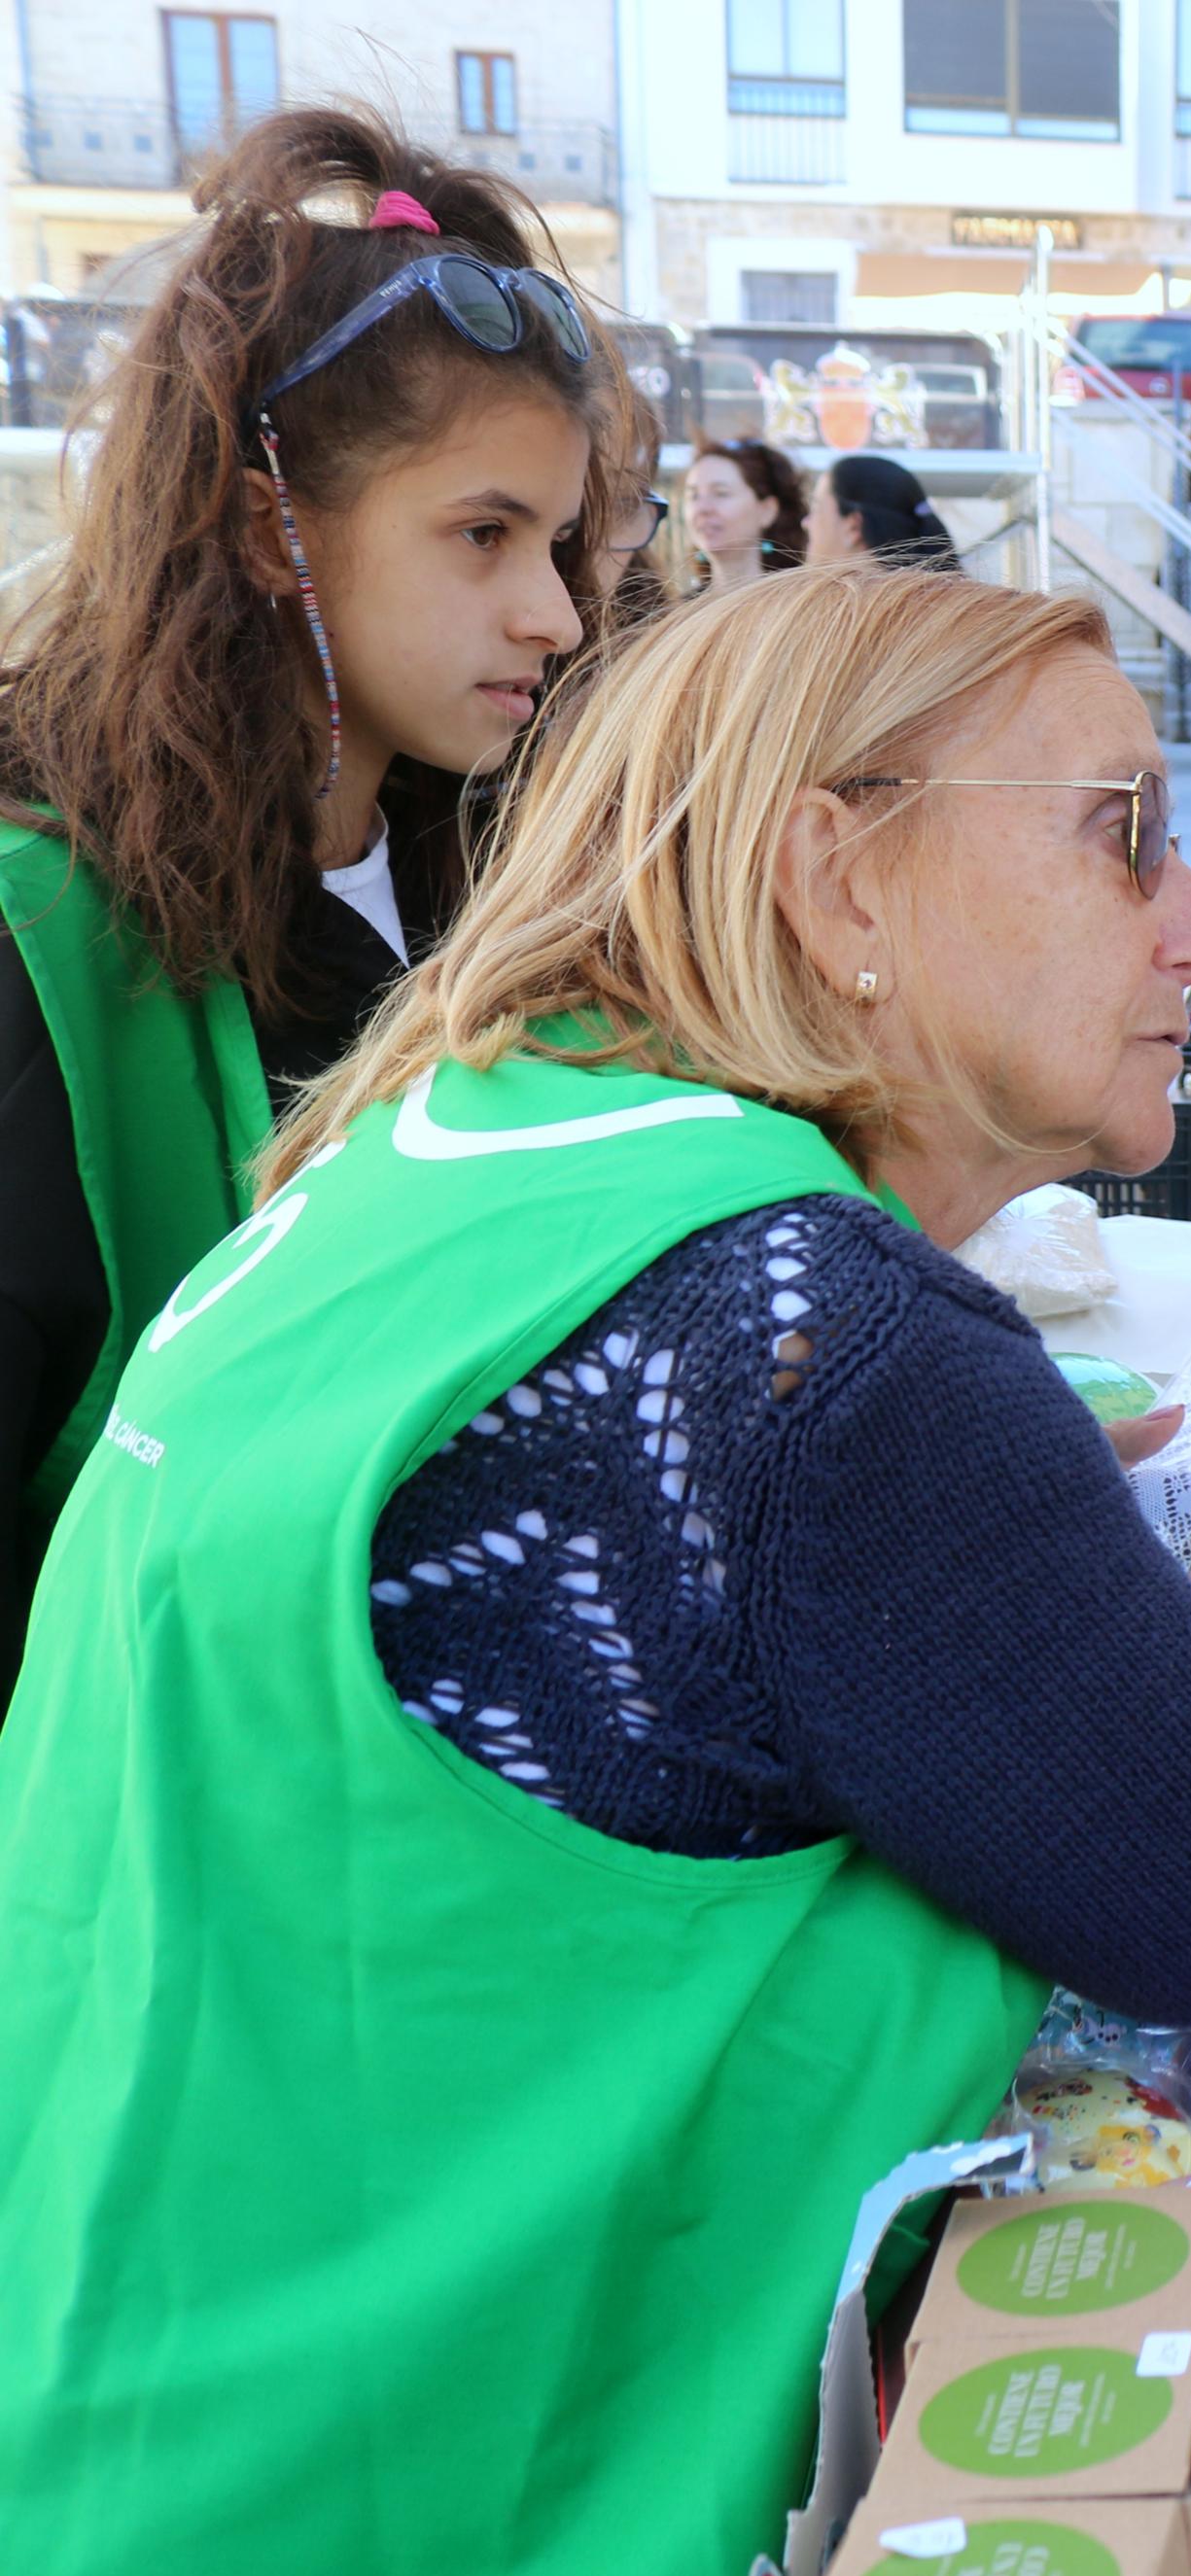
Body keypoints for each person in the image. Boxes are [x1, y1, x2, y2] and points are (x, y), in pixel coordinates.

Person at [0, 563, 1191, 2576]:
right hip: (414, 2531)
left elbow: (652, 1683)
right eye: (1122, 831)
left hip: (120, 2447)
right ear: (835, 881)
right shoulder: (816, 1348)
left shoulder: (432, 1151)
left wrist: (1044, 1567)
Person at [0, 110, 644, 1711]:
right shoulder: (42, 941)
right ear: (255, 519)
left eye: (560, 542)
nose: (553, 611)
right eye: (482, 534)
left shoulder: (521, 874)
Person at [680, 435, 805, 592]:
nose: (703, 508)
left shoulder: (794, 607)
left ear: (767, 510)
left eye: (721, 493)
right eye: (693, 496)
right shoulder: (680, 612)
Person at [809, 450, 965, 572]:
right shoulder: (943, 604)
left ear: (854, 526)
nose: (806, 523)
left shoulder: (858, 610)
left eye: (816, 509)